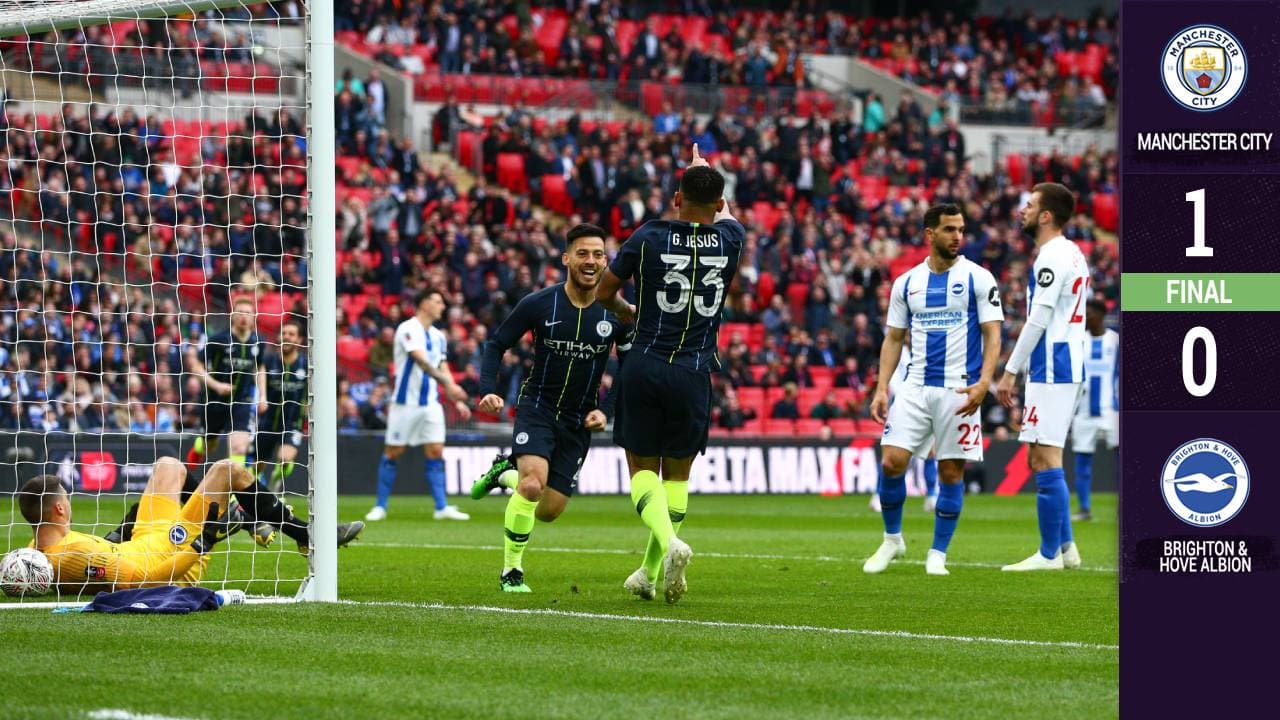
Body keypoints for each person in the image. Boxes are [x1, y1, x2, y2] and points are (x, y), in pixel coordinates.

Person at [595, 144, 744, 604]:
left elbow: (604, 293)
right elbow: (726, 214)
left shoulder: (650, 236)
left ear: (676, 198)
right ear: (719, 204)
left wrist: (632, 311)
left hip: (645, 361)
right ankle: (648, 570)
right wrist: (706, 175)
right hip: (695, 370)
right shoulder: (732, 239)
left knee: (642, 468)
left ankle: (665, 553)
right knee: (677, 478)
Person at [469, 223, 631, 593]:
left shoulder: (618, 313)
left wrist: (606, 409)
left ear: (606, 260)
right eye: (582, 254)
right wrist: (487, 390)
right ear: (566, 259)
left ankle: (502, 473)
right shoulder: (540, 303)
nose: (590, 261)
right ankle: (512, 573)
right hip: (538, 408)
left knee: (548, 510)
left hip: (578, 420)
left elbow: (628, 364)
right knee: (531, 486)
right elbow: (496, 344)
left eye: (598, 254)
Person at [862, 204, 1003, 576]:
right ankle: (893, 539)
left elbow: (993, 333)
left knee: (951, 473)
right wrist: (881, 389)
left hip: (959, 390)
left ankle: (937, 553)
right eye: (949, 229)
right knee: (892, 461)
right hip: (914, 386)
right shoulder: (907, 283)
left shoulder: (979, 278)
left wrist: (985, 382)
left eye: (961, 229)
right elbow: (893, 338)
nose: (958, 236)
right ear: (930, 234)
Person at [996, 182, 1090, 571]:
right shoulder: (1071, 252)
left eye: (1030, 205)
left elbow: (1039, 317)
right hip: (1059, 363)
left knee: (1045, 456)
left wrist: (1010, 370)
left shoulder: (1051, 256)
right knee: (1042, 454)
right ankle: (1066, 549)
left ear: (1046, 216)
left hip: (1054, 365)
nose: (1023, 210)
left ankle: (1049, 554)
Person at [20, 458, 252, 593]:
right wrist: (205, 540)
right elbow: (146, 582)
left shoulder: (34, 551)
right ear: (59, 509)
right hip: (173, 554)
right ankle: (267, 522)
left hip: (145, 540)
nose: (69, 504)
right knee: (227, 470)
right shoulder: (75, 555)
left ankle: (255, 520)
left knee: (168, 465)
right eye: (66, 499)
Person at [366, 289, 473, 522]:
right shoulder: (407, 329)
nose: (442, 306)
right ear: (423, 303)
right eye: (437, 301)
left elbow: (442, 366)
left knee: (436, 451)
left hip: (431, 403)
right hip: (405, 404)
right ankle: (380, 506)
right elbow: (422, 362)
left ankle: (441, 506)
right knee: (394, 452)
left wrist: (456, 397)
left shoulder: (439, 336)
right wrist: (449, 385)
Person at [867, 352, 940, 514]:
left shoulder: (923, 344)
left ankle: (932, 496)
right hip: (899, 402)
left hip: (921, 399)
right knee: (891, 455)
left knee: (930, 450)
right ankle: (879, 495)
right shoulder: (896, 345)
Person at [1068, 299, 1117, 522]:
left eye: (1089, 314)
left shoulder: (1115, 341)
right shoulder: (1079, 341)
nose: (1086, 319)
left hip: (1113, 410)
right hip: (1084, 411)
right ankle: (1084, 508)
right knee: (1082, 460)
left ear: (1099, 314)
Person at [256, 318, 307, 497]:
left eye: (291, 334)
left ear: (299, 340)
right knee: (256, 465)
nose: (286, 337)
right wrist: (262, 397)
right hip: (268, 421)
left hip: (293, 423)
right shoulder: (269, 360)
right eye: (284, 333)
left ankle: (275, 484)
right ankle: (255, 492)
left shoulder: (306, 365)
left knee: (285, 459)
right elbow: (260, 377)